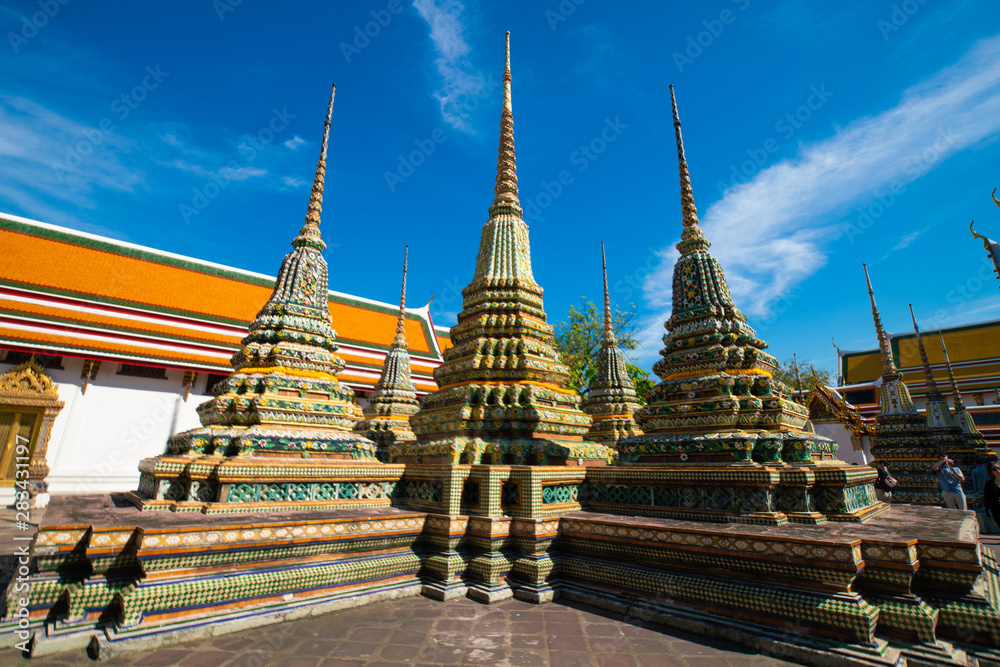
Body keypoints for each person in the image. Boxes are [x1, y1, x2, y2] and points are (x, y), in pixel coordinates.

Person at [984, 462, 1000, 533]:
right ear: (990, 471)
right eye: (994, 469)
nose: (997, 470)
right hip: (996, 509)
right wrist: (987, 509)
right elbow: (987, 497)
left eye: (998, 468)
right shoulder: (989, 484)